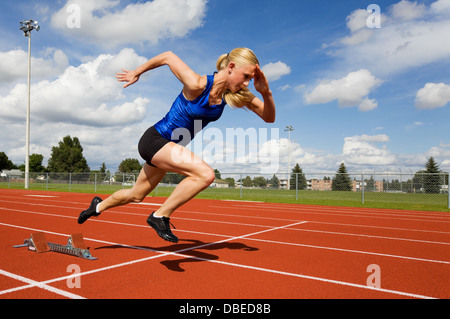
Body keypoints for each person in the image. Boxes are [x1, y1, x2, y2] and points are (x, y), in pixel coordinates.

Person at [78, 48, 276, 243]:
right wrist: (136, 72)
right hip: (155, 140)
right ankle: (160, 216)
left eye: (250, 79)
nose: (247, 83)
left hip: (168, 149)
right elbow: (168, 56)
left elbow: (269, 117)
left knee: (136, 195)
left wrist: (266, 93)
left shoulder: (233, 95)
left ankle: (97, 206)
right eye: (246, 76)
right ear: (231, 67)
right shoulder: (197, 83)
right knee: (205, 174)